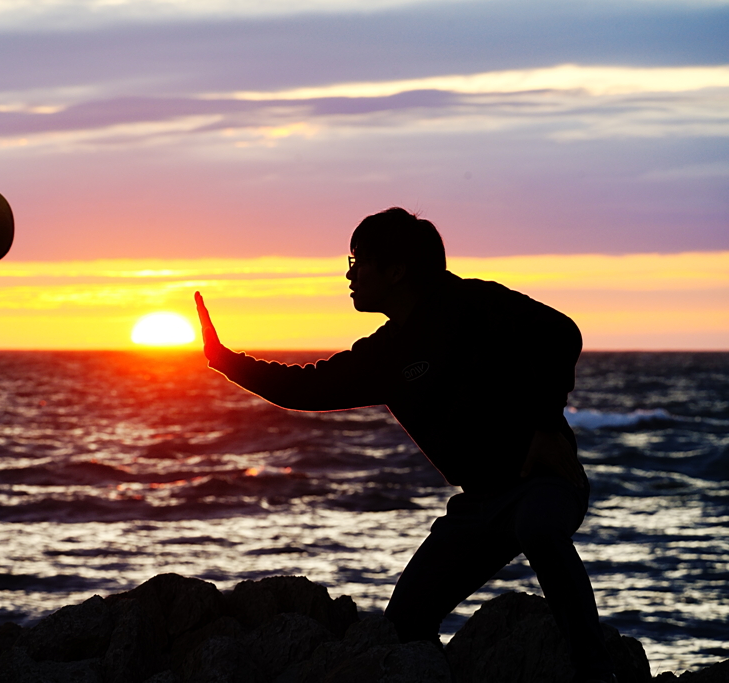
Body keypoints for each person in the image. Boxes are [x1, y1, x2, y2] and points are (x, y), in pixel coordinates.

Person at [194, 207, 616, 683]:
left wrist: (543, 424)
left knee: (538, 528)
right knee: (404, 626)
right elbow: (305, 388)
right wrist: (225, 361)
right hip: (478, 505)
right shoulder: (384, 354)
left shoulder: (474, 302)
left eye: (358, 261)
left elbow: (562, 334)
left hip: (544, 483)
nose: (349, 274)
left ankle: (597, 673)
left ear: (396, 270)